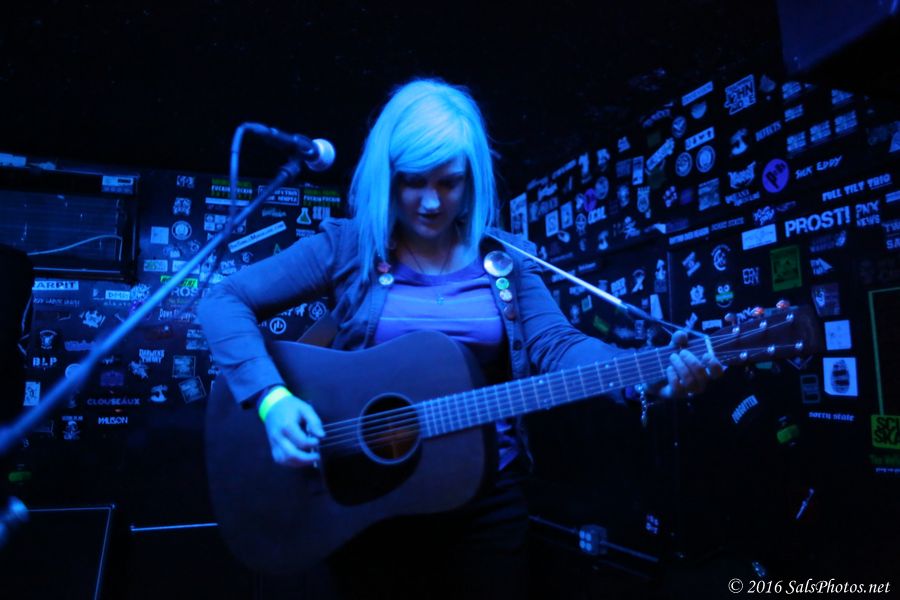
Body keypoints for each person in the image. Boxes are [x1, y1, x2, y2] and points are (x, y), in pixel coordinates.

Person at [198, 78, 721, 599]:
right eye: (413, 182)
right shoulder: (348, 248)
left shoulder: (507, 260)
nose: (431, 202)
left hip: (487, 499)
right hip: (372, 500)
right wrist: (272, 400)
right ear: (387, 177)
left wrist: (647, 374)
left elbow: (558, 346)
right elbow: (223, 301)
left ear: (472, 180)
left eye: (449, 183)